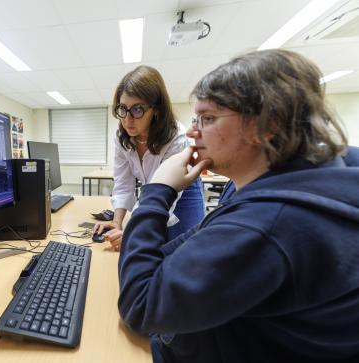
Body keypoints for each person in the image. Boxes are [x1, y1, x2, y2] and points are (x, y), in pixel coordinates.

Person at [118, 49, 359, 363]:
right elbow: (190, 246)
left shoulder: (265, 224)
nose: (193, 132)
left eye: (208, 118)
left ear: (267, 125)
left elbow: (140, 307)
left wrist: (157, 189)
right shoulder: (288, 178)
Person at [93, 65, 205, 251]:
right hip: (152, 194)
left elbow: (163, 194)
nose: (128, 119)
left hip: (182, 193)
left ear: (156, 110)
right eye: (123, 109)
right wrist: (117, 223)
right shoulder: (122, 137)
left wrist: (132, 232)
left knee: (181, 252)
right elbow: (123, 184)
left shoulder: (176, 137)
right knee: (148, 249)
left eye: (137, 110)